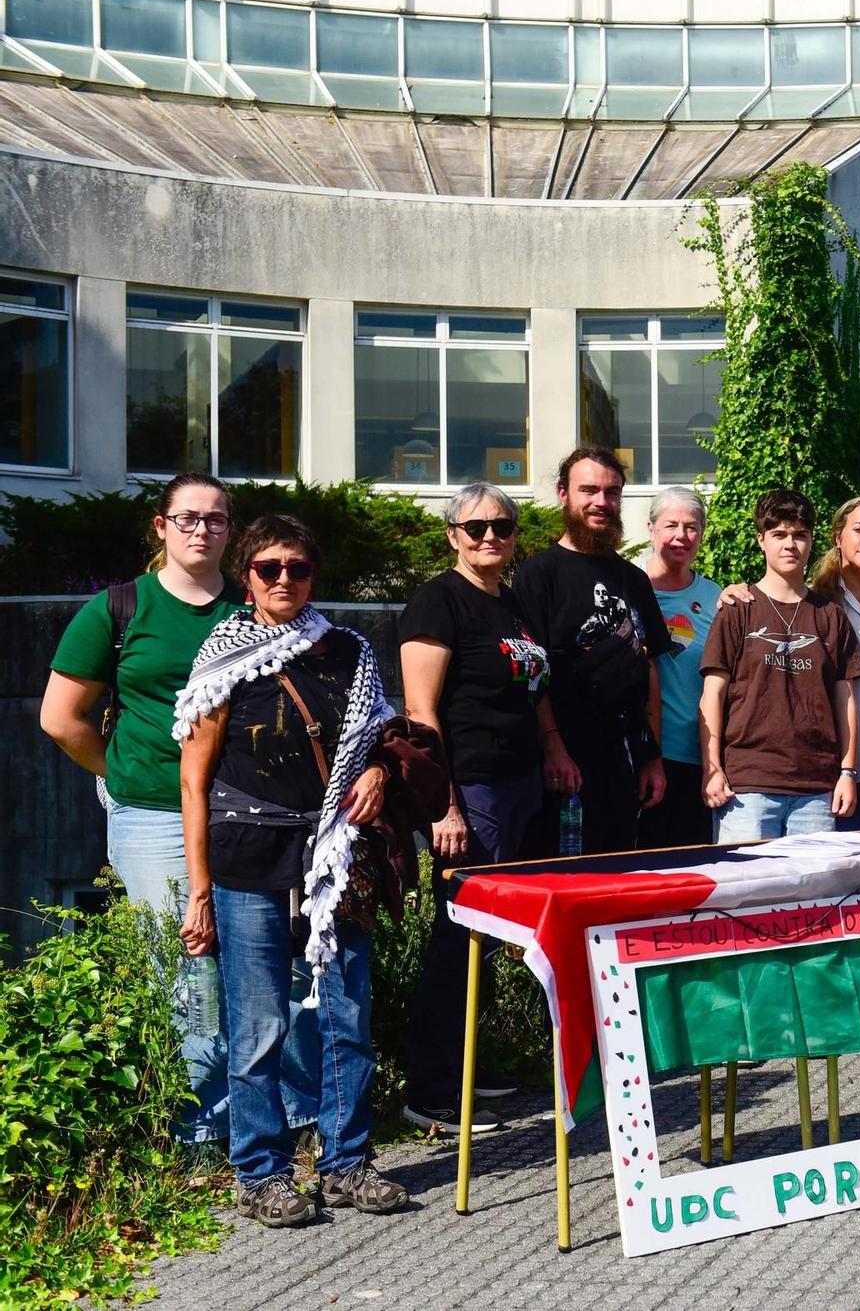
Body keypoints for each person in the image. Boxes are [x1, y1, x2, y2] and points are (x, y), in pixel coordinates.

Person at [174, 514, 408, 1227]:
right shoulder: (225, 655)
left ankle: (345, 1162)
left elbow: (378, 736)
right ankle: (261, 1172)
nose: (284, 579)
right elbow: (194, 780)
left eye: (298, 567)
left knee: (346, 1012)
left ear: (314, 575)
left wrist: (376, 770)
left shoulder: (349, 651)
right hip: (247, 854)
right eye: (269, 567)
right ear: (245, 576)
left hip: (334, 853)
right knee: (259, 1022)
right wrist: (200, 891)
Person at [40, 472, 254, 1151]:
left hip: (247, 813)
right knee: (189, 972)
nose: (202, 529)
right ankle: (201, 1139)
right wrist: (121, 775)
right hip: (156, 814)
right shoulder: (119, 608)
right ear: (161, 526)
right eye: (188, 517)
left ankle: (262, 1129)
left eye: (216, 518)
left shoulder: (253, 606)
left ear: (230, 530)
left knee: (261, 965)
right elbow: (60, 718)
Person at [396, 483, 551, 1132]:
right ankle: (431, 1091)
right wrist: (444, 807)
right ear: (453, 535)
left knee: (489, 940)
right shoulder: (439, 600)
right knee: (457, 937)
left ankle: (466, 1065)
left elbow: (534, 692)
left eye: (502, 526)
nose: (490, 536)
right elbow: (420, 711)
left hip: (520, 787)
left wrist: (554, 753)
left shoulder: (509, 603)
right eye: (476, 527)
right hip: (472, 792)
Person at [513, 448, 671, 854]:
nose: (602, 502)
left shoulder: (633, 578)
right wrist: (554, 749)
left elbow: (649, 669)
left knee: (618, 874)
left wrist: (651, 756)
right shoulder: (538, 574)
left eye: (612, 492)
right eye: (589, 490)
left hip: (623, 764)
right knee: (563, 876)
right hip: (562, 768)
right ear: (563, 494)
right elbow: (533, 673)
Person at [698, 489, 860, 840]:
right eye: (779, 534)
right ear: (761, 539)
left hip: (816, 789)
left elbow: (846, 699)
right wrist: (711, 768)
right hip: (747, 787)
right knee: (745, 878)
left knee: (814, 880)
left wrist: (848, 771)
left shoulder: (830, 615)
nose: (790, 544)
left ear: (812, 540)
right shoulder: (737, 609)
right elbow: (712, 695)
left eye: (800, 535)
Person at [637, 486, 720, 849]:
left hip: (697, 757)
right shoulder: (628, 588)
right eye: (671, 525)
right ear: (651, 529)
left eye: (691, 527)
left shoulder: (715, 597)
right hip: (642, 757)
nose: (681, 536)